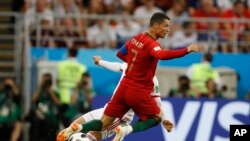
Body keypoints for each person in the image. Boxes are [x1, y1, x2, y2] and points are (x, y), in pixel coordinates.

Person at [58, 12, 199, 141]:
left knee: (103, 123)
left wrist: (130, 62)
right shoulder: (152, 45)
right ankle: (125, 131)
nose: (168, 29)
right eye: (166, 26)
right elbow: (161, 55)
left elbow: (120, 53)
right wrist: (186, 50)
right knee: (155, 118)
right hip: (137, 91)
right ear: (155, 25)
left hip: (123, 87)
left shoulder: (136, 38)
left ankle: (78, 128)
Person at [57, 56, 169, 141]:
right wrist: (164, 120)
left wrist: (99, 62)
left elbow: (117, 66)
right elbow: (157, 103)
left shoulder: (131, 67)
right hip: (115, 114)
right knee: (88, 134)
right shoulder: (151, 79)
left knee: (79, 130)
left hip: (113, 113)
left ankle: (77, 128)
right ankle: (78, 129)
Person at [57, 48, 87, 127]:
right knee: (74, 123)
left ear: (68, 53)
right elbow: (83, 83)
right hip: (76, 98)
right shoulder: (82, 67)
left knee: (62, 123)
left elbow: (57, 81)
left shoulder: (61, 65)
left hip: (63, 97)